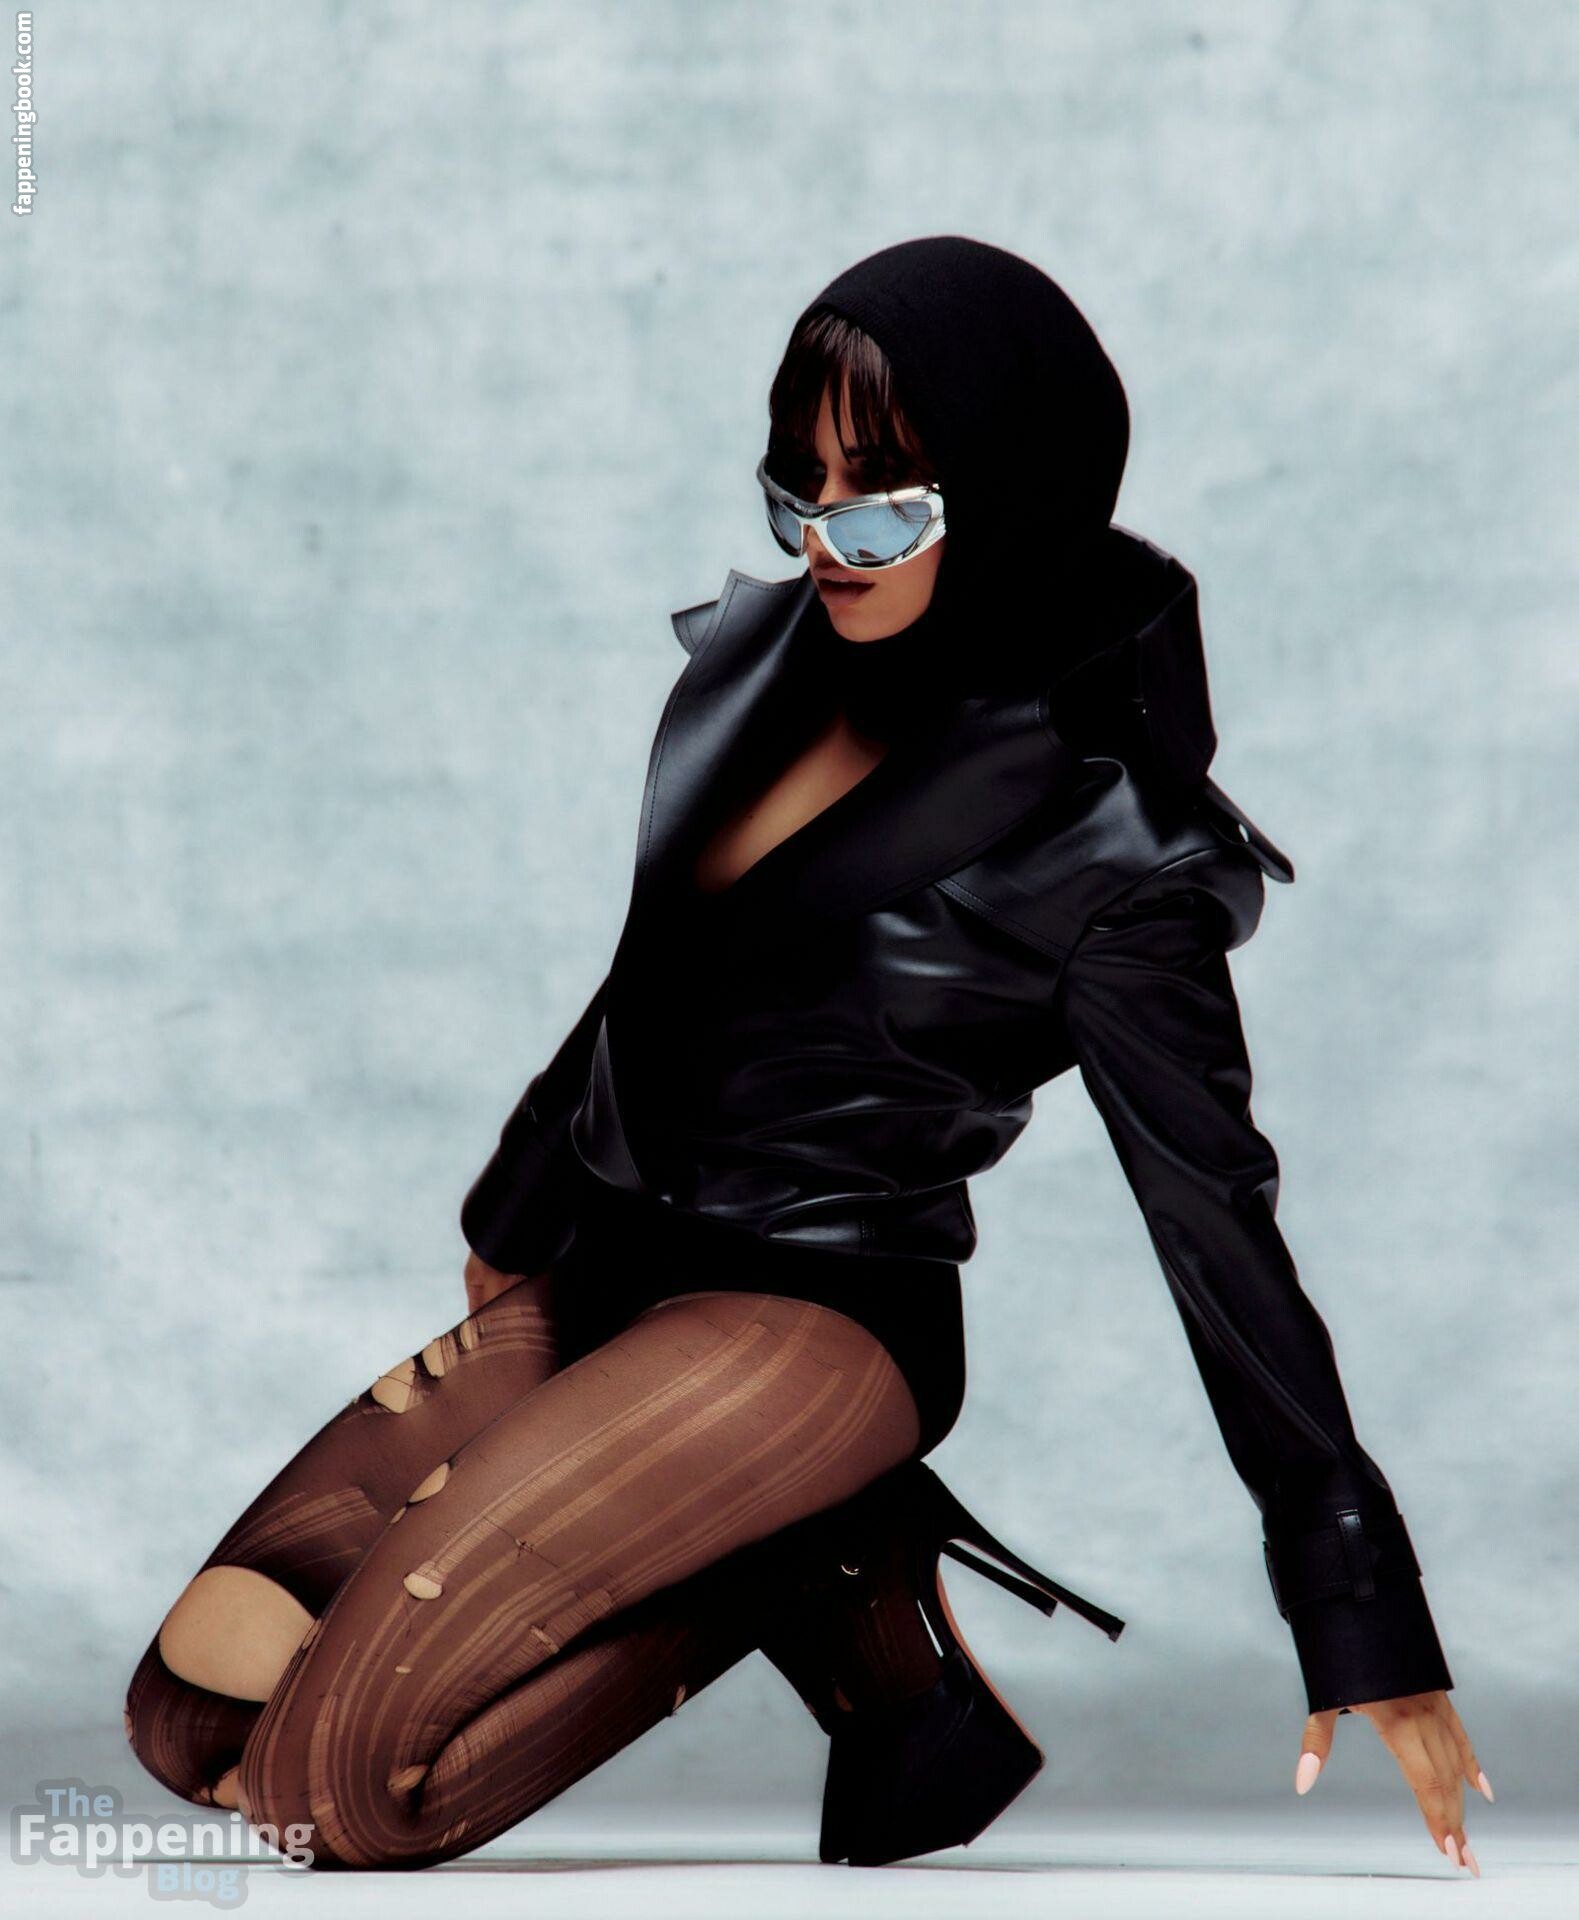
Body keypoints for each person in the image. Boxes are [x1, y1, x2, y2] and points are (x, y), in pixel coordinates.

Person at [125, 235, 1488, 1876]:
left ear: (1010, 493)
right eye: (802, 485)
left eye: (884, 499)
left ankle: (789, 1541)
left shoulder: (1107, 844)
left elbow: (1217, 1223)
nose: (829, 537)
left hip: (821, 1322)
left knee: (325, 1793)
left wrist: (1359, 1602)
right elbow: (658, 969)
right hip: (621, 1269)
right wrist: (521, 1202)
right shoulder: (768, 668)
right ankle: (838, 1580)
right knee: (188, 1719)